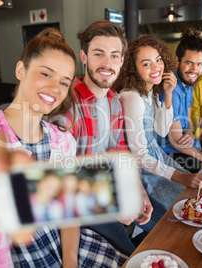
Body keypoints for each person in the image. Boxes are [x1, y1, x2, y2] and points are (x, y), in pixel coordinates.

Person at [0, 28, 128, 267]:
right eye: (46, 74)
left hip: (64, 247)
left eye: (64, 81)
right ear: (21, 70)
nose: (55, 88)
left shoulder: (63, 141)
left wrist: (70, 263)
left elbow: (69, 212)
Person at [56, 20, 154, 256]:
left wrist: (139, 191)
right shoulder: (66, 103)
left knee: (162, 222)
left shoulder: (114, 101)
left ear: (121, 60)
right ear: (84, 57)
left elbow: (120, 154)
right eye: (98, 54)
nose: (107, 64)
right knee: (130, 255)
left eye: (113, 56)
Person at [114, 35, 202, 210]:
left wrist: (169, 92)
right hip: (142, 171)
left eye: (158, 60)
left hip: (156, 157)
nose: (156, 66)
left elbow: (161, 130)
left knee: (192, 199)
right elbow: (139, 156)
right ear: (133, 69)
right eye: (146, 63)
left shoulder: (149, 91)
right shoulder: (132, 97)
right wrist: (180, 177)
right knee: (182, 204)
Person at [155, 28, 202, 172]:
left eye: (199, 64)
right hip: (172, 153)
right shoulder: (171, 88)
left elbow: (188, 119)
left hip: (187, 146)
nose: (194, 69)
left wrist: (190, 134)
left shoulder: (188, 84)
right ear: (177, 61)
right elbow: (175, 140)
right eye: (189, 63)